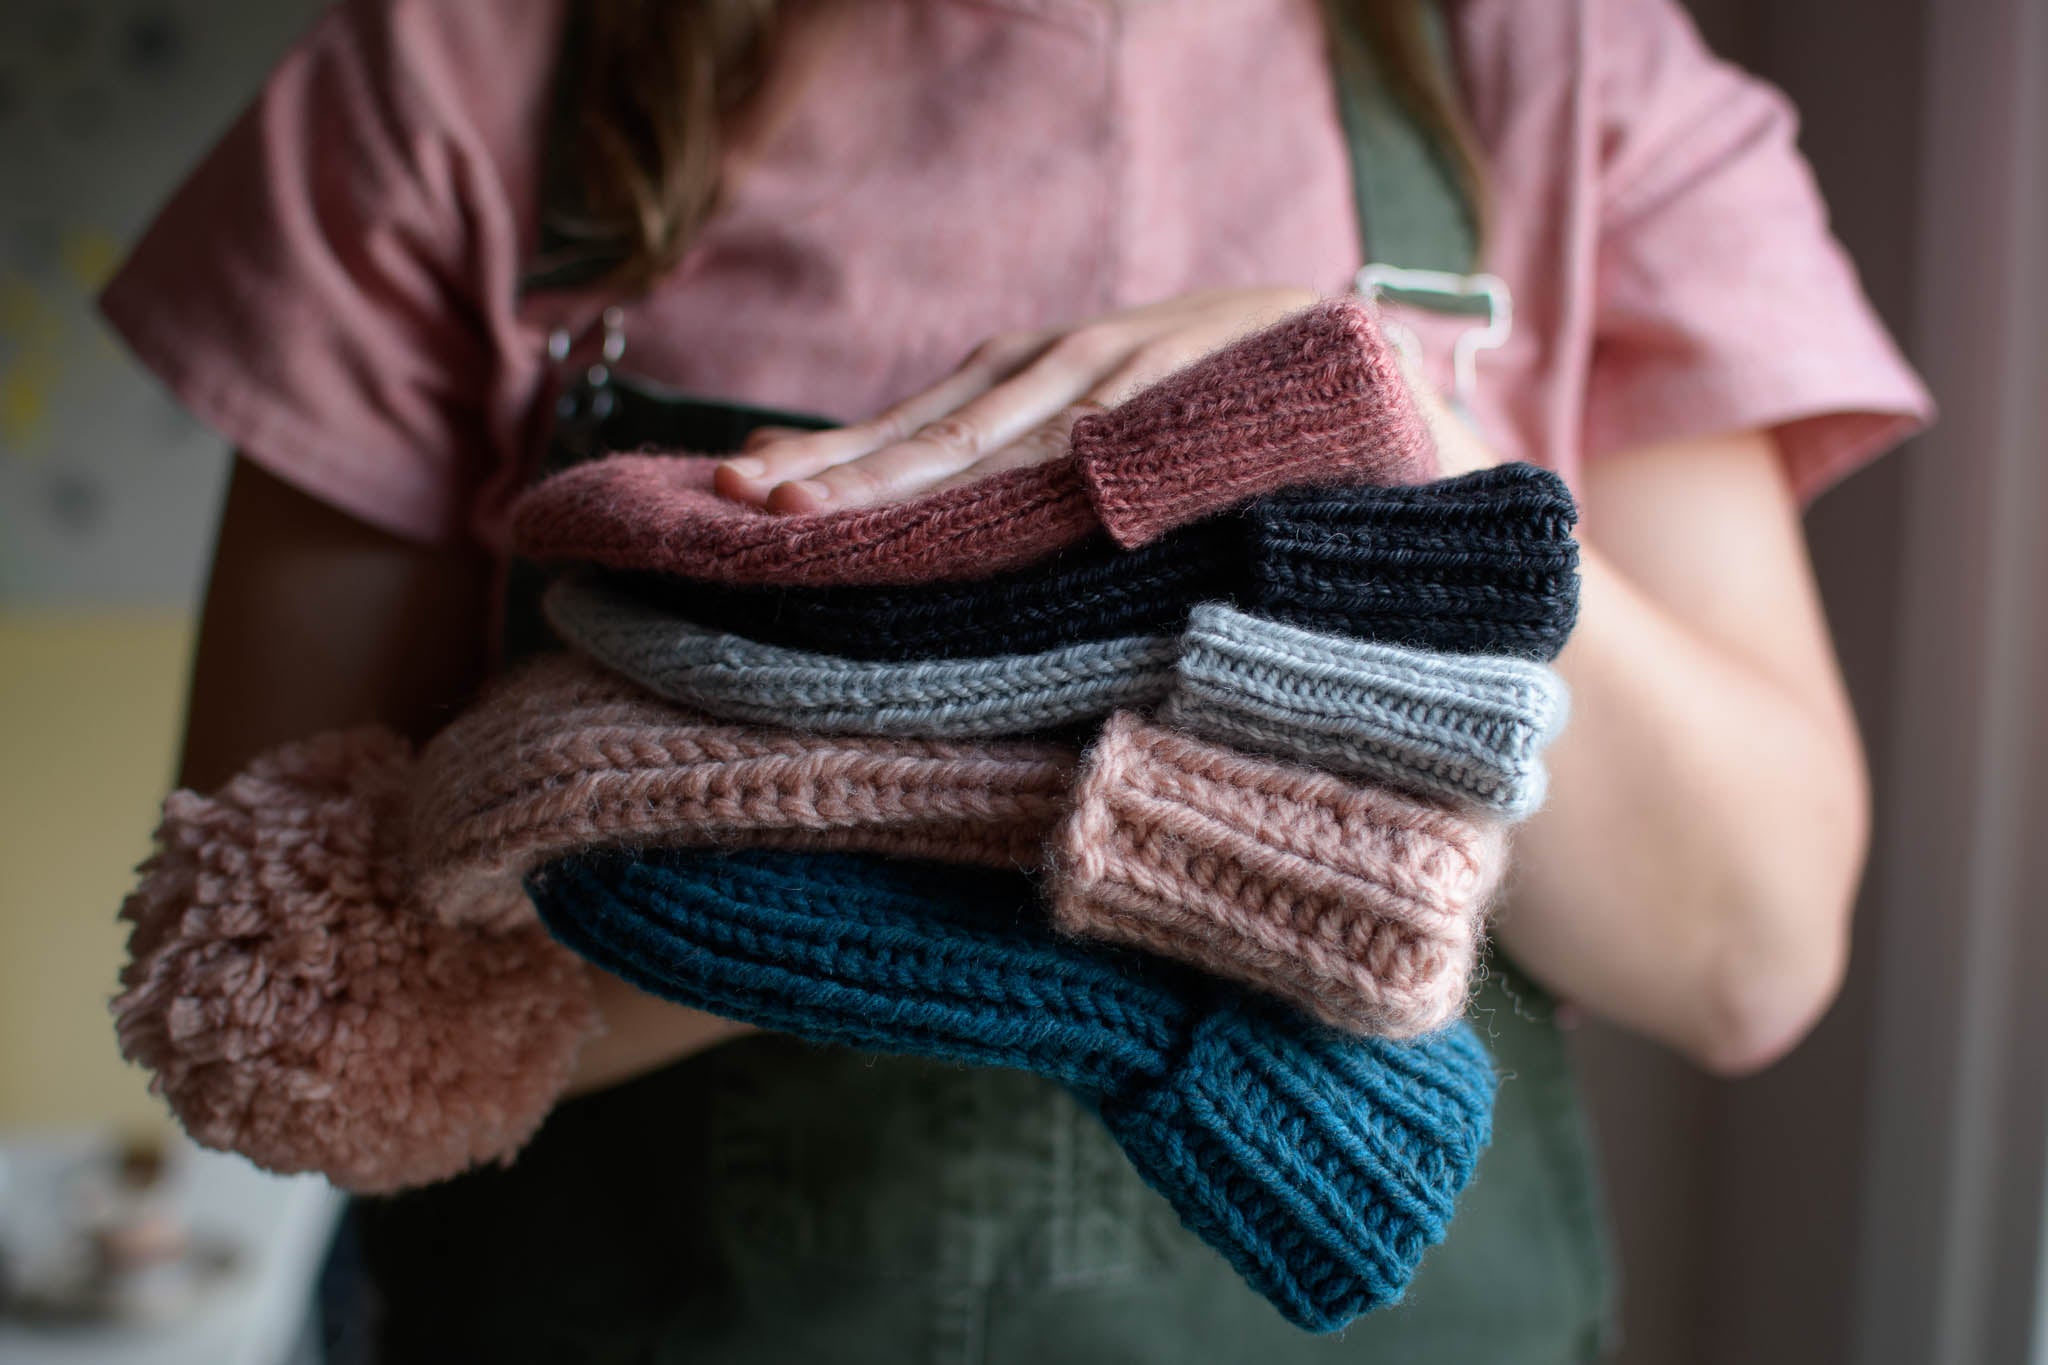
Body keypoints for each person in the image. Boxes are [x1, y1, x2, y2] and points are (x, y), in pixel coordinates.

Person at [98, 0, 1932, 1359]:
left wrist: (1414, 460)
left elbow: (1747, 950)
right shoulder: (454, 78)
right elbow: (286, 987)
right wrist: (1084, 791)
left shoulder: (1572, 77)